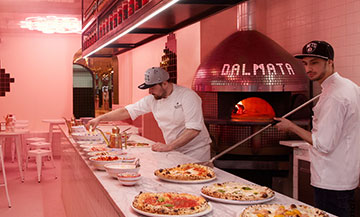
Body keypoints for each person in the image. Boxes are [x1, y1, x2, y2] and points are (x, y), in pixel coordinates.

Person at [274, 40, 360, 217]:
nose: (308, 69)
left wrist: (291, 127)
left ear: (330, 62)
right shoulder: (349, 86)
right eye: (305, 63)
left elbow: (323, 144)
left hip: (331, 180)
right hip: (345, 176)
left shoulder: (334, 96)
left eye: (314, 63)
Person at [87, 67, 212, 161]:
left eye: (152, 87)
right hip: (174, 150)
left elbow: (194, 129)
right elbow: (127, 111)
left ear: (164, 83)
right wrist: (100, 118)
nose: (150, 91)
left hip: (196, 152)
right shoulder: (153, 99)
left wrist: (169, 147)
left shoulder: (188, 96)